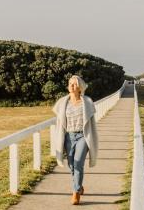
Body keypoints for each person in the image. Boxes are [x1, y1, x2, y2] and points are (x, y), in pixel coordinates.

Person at [52, 75, 99, 205]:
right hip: (68, 136)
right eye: (70, 84)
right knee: (72, 165)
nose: (72, 86)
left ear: (80, 88)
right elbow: (60, 123)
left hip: (82, 136)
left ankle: (76, 192)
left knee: (78, 163)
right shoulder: (63, 103)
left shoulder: (87, 102)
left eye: (75, 84)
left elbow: (91, 124)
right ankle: (79, 185)